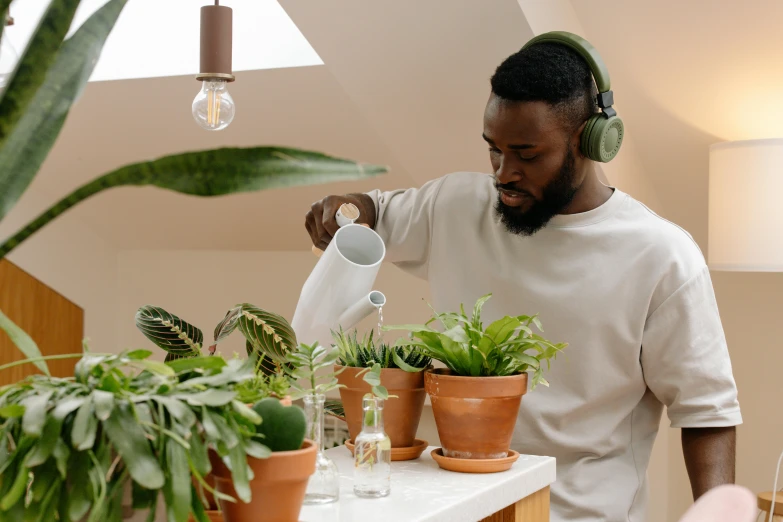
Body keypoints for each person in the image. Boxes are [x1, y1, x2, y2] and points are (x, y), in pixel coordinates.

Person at [304, 32, 741, 522]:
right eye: (494, 149)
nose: (504, 173)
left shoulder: (661, 255)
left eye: (527, 155)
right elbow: (375, 211)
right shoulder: (454, 205)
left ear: (590, 142)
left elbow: (707, 412)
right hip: (459, 504)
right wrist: (347, 208)